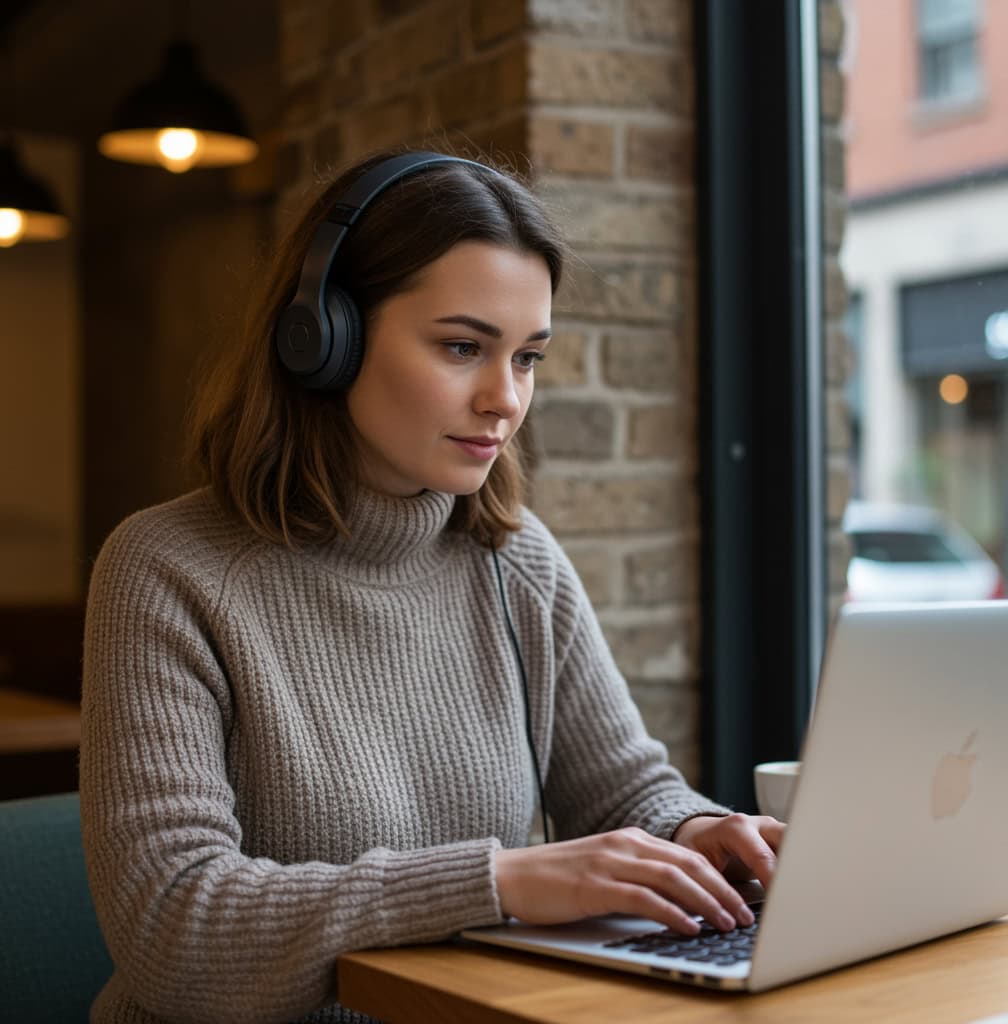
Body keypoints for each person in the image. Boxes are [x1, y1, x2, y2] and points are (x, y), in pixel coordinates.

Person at [80, 149, 785, 1024]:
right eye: (463, 347)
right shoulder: (166, 569)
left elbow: (623, 790)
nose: (505, 399)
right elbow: (172, 930)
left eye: (527, 358)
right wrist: (497, 882)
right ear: (323, 340)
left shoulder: (517, 560)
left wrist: (694, 831)